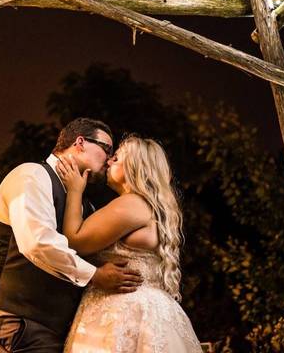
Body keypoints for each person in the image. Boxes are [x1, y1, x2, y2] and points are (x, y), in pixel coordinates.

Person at [0, 118, 144, 352]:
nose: (109, 158)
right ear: (80, 142)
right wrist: (95, 275)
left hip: (60, 329)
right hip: (19, 324)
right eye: (106, 148)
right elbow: (38, 242)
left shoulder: (84, 205)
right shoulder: (31, 175)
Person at [56, 135, 203, 352]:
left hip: (124, 314)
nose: (107, 161)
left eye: (115, 158)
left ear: (134, 166)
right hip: (152, 313)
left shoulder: (131, 204)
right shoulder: (149, 207)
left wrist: (75, 191)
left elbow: (76, 241)